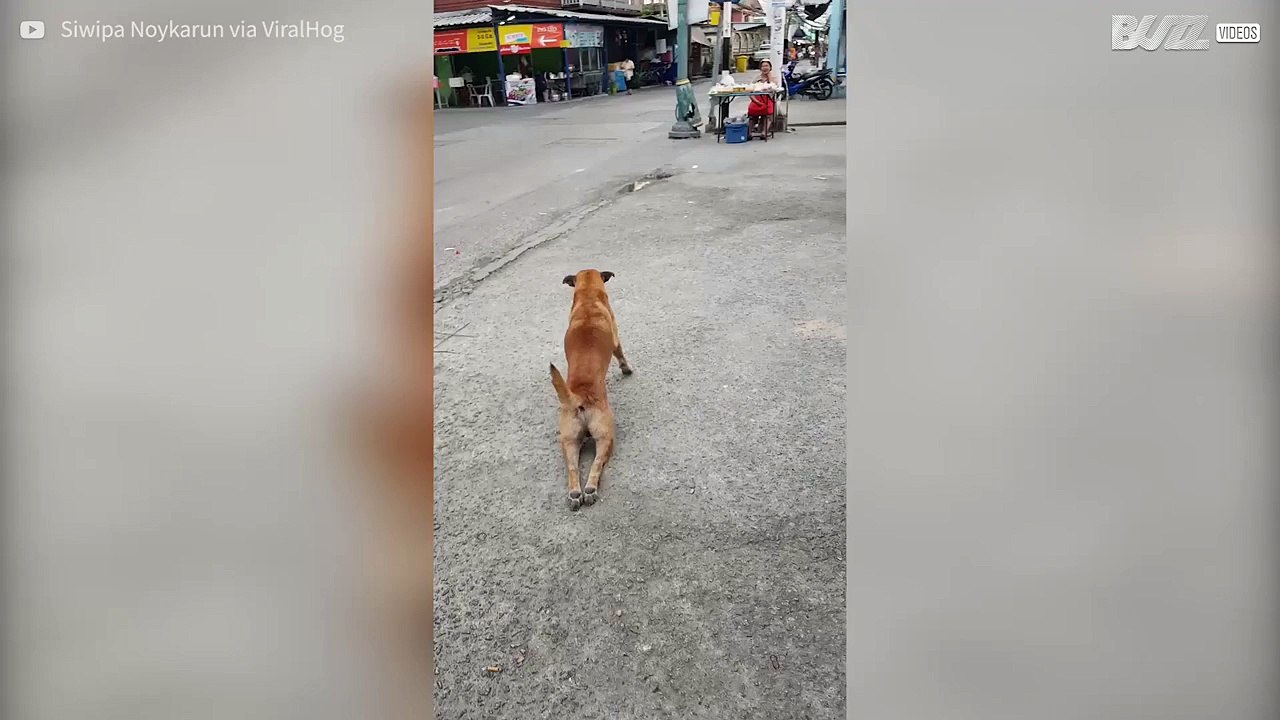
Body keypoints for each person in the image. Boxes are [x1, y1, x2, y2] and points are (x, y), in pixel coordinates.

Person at [746, 59, 776, 138]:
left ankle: (764, 132)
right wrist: (756, 101)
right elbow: (750, 90)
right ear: (760, 68)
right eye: (763, 66)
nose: (765, 68)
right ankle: (749, 133)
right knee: (752, 115)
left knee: (769, 115)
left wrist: (769, 76)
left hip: (767, 100)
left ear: (770, 67)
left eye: (767, 66)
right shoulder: (756, 78)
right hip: (756, 100)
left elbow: (773, 88)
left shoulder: (773, 78)